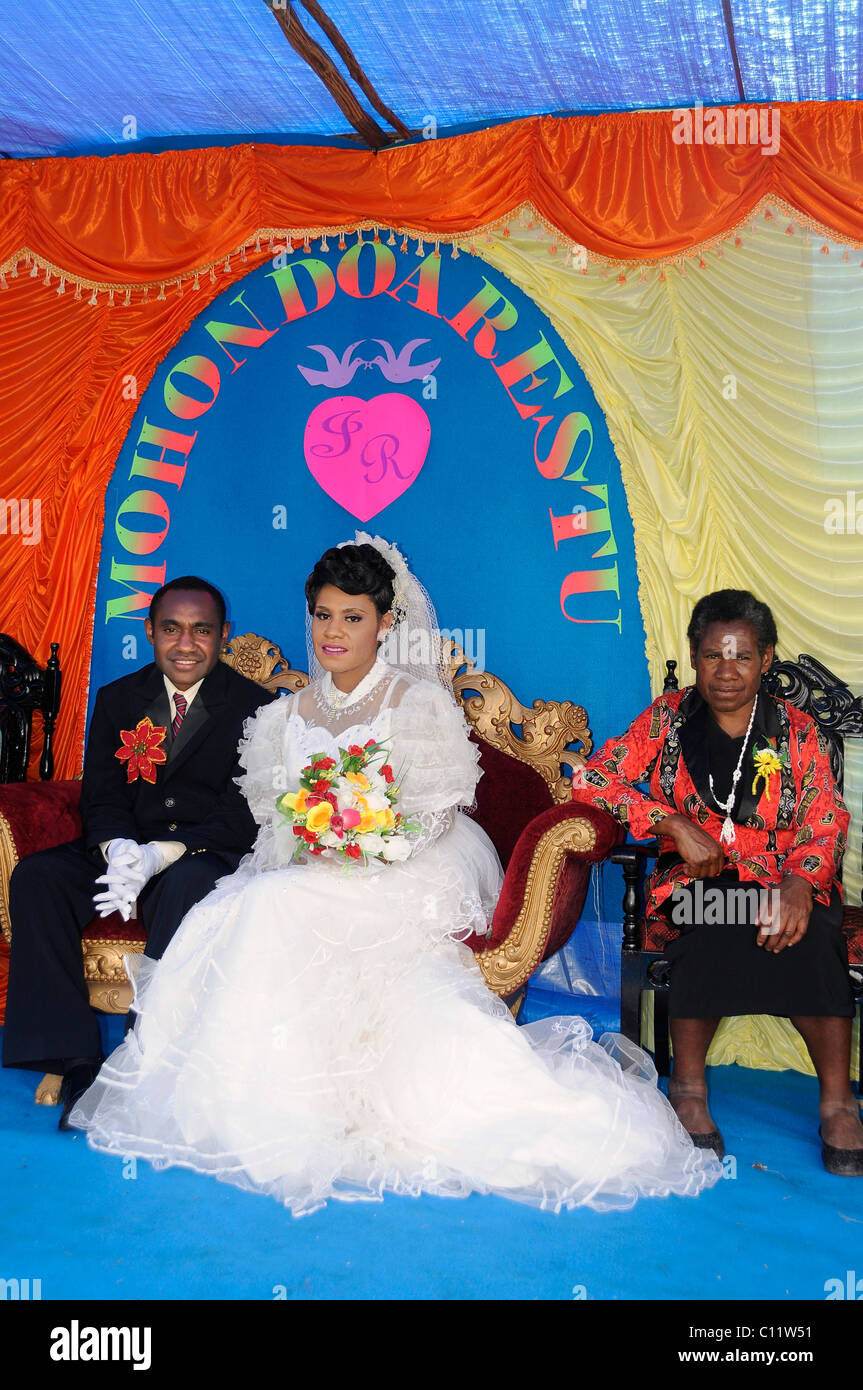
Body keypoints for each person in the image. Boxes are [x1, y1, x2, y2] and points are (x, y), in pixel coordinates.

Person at [69, 535, 722, 1214]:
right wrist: (317, 835)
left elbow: (435, 814)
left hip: (411, 861)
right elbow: (274, 819)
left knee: (274, 907)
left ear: (384, 623)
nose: (333, 632)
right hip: (318, 862)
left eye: (352, 617)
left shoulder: (415, 704)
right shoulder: (281, 715)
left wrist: (368, 839)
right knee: (246, 904)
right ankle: (271, 1100)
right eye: (323, 615)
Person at [571, 589, 863, 1176]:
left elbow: (826, 818)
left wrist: (801, 884)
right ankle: (690, 1089)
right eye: (712, 656)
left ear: (767, 658)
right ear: (696, 656)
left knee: (815, 935)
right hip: (697, 885)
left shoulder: (797, 730)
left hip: (786, 884)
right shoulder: (668, 720)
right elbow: (591, 779)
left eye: (743, 657)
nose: (726, 671)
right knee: (706, 923)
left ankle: (836, 1102)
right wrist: (672, 822)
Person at [2, 576, 276, 1128]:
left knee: (185, 883)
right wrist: (117, 847)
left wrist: (164, 853)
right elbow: (101, 792)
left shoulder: (257, 706)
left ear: (224, 636)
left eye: (202, 631)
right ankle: (73, 1056)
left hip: (201, 854)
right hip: (123, 851)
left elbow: (246, 810)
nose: (186, 644)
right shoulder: (118, 698)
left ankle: (144, 1055)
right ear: (150, 631)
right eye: (171, 628)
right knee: (39, 876)